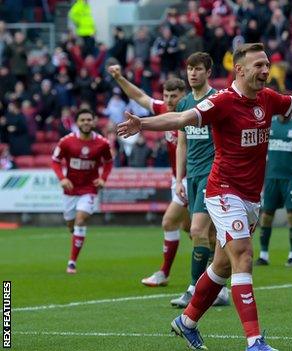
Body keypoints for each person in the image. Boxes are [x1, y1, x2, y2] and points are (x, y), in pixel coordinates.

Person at [117, 42, 292, 351]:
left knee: (222, 267)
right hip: (223, 191)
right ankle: (255, 341)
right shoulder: (222, 102)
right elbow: (180, 119)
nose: (265, 70)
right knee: (243, 254)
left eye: (267, 64)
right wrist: (142, 124)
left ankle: (186, 322)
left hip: (251, 196)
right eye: (258, 66)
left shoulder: (267, 99)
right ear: (239, 70)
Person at [107, 65, 191, 287]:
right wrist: (119, 78)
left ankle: (164, 273)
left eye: (175, 95)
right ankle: (215, 275)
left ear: (185, 95)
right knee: (191, 229)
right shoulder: (164, 109)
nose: (170, 100)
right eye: (167, 95)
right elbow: (140, 96)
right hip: (179, 178)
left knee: (169, 222)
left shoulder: (193, 113)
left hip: (194, 178)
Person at [168, 52, 229, 308]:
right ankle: (221, 289)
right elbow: (182, 143)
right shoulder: (183, 105)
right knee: (212, 234)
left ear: (208, 72)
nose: (193, 73)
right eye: (190, 69)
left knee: (196, 230)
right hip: (192, 176)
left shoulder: (216, 100)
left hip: (212, 173)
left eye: (198, 69)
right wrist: (179, 179)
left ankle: (195, 289)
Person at [51, 109, 113, 274]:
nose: (86, 122)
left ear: (94, 121)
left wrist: (103, 179)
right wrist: (62, 179)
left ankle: (72, 262)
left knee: (80, 220)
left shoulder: (102, 143)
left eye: (89, 119)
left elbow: (109, 162)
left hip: (89, 188)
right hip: (70, 189)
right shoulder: (66, 141)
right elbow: (55, 161)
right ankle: (75, 233)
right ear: (77, 122)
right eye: (82, 120)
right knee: (71, 223)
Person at [256, 115, 292, 267]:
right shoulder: (268, 124)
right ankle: (263, 255)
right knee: (266, 215)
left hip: (291, 178)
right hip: (271, 177)